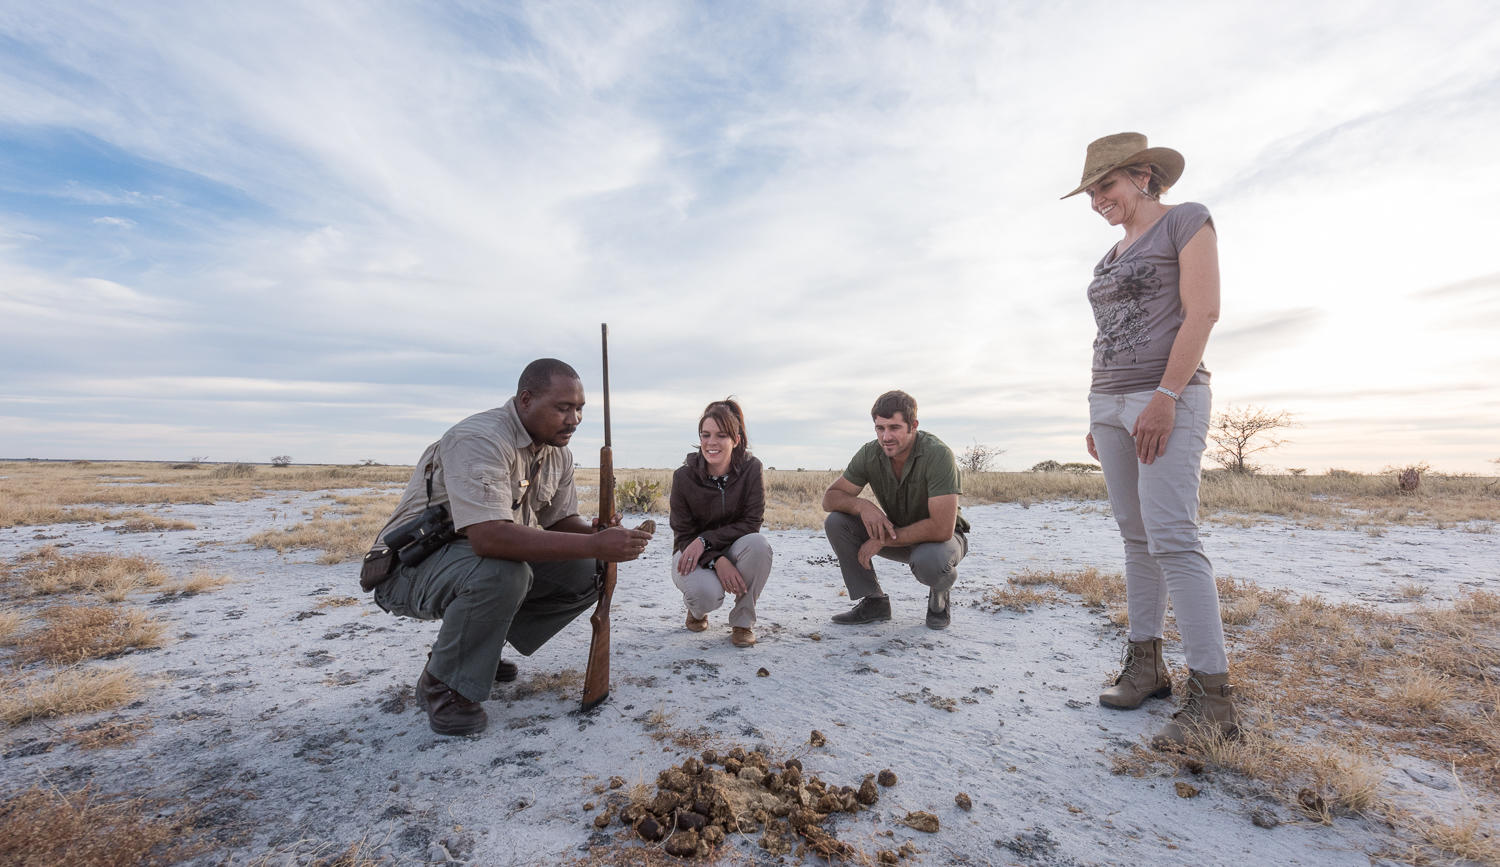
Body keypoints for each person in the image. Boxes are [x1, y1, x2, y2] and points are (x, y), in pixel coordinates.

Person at [363, 358, 653, 736]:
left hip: (470, 562)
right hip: (407, 568)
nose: (574, 420)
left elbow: (560, 522)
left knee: (589, 568)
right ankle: (443, 687)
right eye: (563, 408)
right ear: (526, 400)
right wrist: (595, 542)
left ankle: (476, 653)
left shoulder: (557, 452)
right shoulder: (479, 438)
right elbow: (490, 538)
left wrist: (596, 535)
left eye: (580, 409)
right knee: (504, 572)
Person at [1062, 132, 1240, 748]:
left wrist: (1166, 396)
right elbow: (1107, 334)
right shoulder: (1109, 257)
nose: (1097, 201)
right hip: (1109, 402)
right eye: (1090, 193)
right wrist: (1099, 411)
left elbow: (1204, 312)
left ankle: (1213, 700)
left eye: (1106, 186)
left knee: (1173, 538)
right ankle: (1146, 667)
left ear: (1143, 175)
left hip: (1166, 395)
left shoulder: (1186, 221)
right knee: (1136, 538)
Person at [821, 390, 969, 630]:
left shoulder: (938, 454)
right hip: (897, 532)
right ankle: (874, 602)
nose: (886, 437)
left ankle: (940, 592)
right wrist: (862, 505)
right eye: (880, 428)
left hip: (942, 541)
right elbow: (830, 498)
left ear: (913, 426)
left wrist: (883, 540)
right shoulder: (870, 453)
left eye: (894, 428)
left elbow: (941, 528)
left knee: (930, 562)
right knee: (837, 522)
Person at [668, 399, 774, 648]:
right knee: (706, 596)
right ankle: (696, 612)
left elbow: (751, 523)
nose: (711, 442)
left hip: (730, 547)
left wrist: (707, 542)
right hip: (690, 551)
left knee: (759, 545)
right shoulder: (683, 477)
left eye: (721, 435)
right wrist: (716, 560)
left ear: (736, 440)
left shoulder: (752, 469)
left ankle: (743, 622)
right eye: (705, 435)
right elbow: (683, 534)